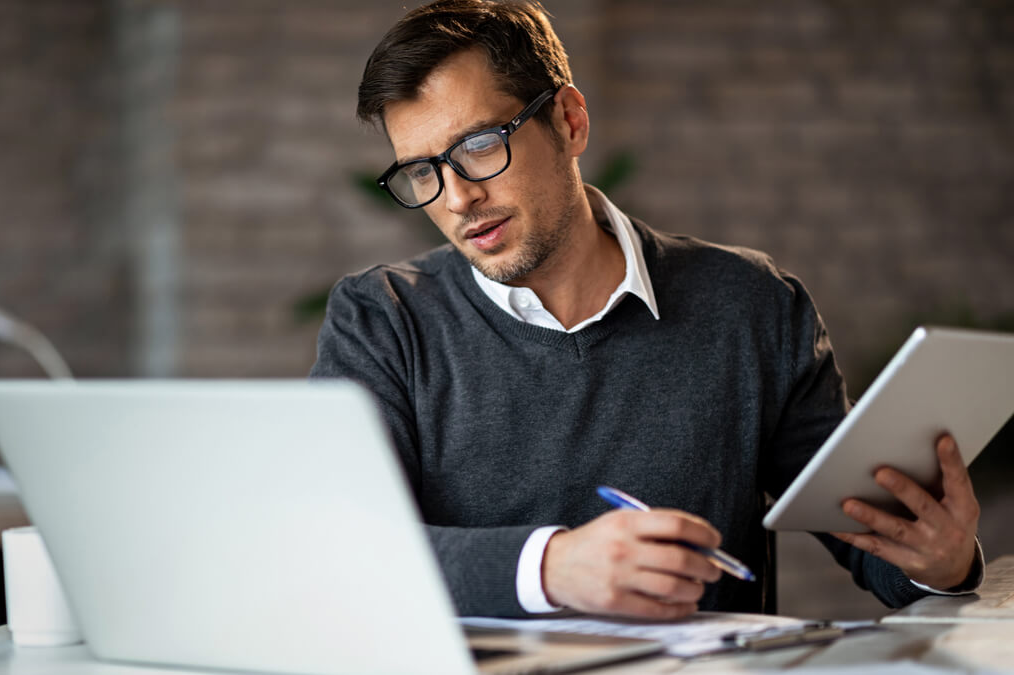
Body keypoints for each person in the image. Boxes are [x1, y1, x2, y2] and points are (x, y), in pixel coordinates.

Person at [311, 0, 983, 619]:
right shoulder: (382, 319)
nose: (456, 199)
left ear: (570, 121)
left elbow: (874, 544)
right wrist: (551, 567)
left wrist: (940, 562)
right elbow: (336, 547)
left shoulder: (752, 305)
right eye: (422, 171)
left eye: (480, 145)